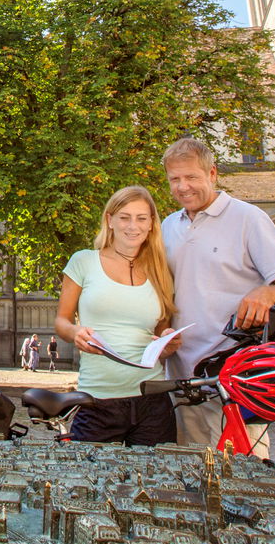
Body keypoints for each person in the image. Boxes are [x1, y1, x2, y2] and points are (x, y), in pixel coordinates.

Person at [160, 137, 275, 454]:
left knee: (241, 477)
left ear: (212, 173)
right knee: (188, 477)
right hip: (181, 385)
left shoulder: (248, 218)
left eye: (191, 177)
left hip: (232, 383)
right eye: (174, 179)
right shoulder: (168, 225)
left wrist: (267, 293)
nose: (182, 187)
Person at [54, 185, 182, 444]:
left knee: (155, 471)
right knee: (86, 471)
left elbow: (160, 332)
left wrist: (167, 343)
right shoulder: (83, 261)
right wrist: (75, 332)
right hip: (98, 400)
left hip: (152, 401)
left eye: (141, 218)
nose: (133, 226)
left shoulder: (161, 271)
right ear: (110, 220)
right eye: (125, 217)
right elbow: (61, 321)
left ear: (151, 224)